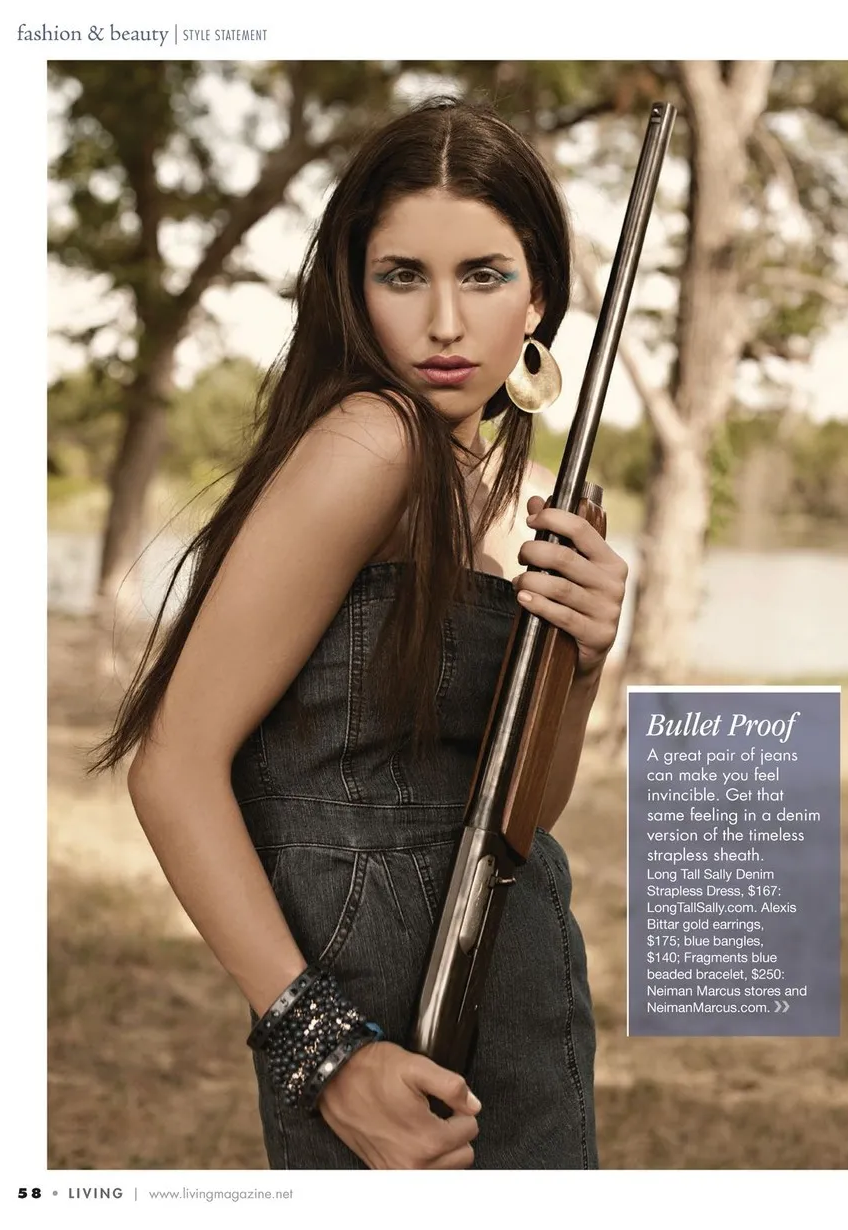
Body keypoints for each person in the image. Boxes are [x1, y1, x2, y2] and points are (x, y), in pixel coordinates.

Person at [90, 94, 629, 1170]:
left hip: (513, 995)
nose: (445, 323)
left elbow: (520, 819)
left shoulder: (494, 481)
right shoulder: (373, 442)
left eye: (484, 275)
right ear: (355, 285)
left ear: (539, 297)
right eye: (404, 276)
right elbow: (173, 769)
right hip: (381, 1024)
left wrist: (578, 660)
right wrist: (324, 1051)